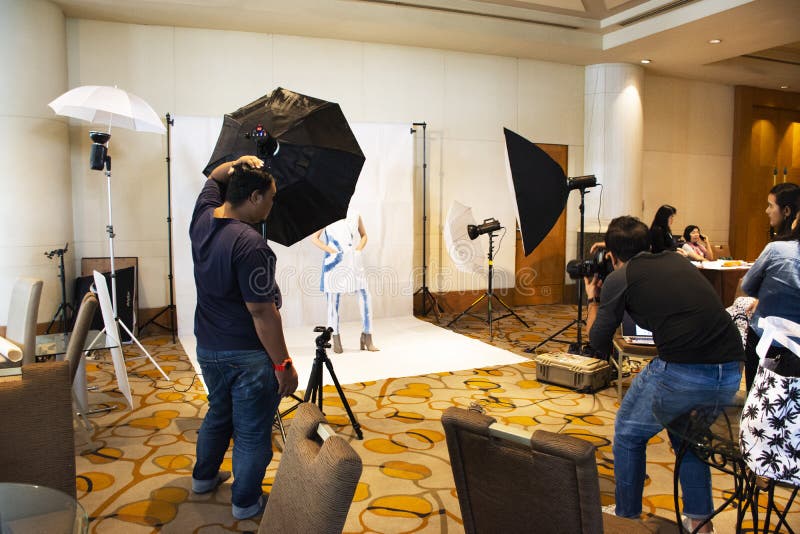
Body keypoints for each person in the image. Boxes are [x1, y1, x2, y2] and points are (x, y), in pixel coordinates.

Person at [585, 216, 744, 533]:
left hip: (684, 369)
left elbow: (596, 341)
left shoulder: (620, 278)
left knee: (629, 432)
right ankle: (700, 521)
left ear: (613, 256)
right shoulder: (677, 259)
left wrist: (593, 295)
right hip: (730, 369)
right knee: (687, 436)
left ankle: (625, 517)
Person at [190, 155, 299, 520]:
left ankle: (203, 479)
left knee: (218, 412)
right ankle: (245, 502)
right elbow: (262, 313)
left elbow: (212, 178)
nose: (273, 203)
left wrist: (235, 163)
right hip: (247, 355)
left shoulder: (202, 219)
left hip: (208, 347)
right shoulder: (251, 245)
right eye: (270, 196)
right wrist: (283, 364)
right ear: (253, 197)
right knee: (252, 431)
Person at [741, 190, 800, 390]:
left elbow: (747, 285)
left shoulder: (778, 249)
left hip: (768, 340)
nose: (766, 211)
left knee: (758, 399)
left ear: (789, 212)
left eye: (770, 205)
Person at [311, 213, 379, 353]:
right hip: (334, 263)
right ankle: (335, 337)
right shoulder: (327, 215)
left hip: (353, 261)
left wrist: (358, 249)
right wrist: (331, 251)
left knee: (365, 297)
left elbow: (364, 235)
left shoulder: (355, 214)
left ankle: (367, 336)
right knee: (333, 302)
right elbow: (314, 238)